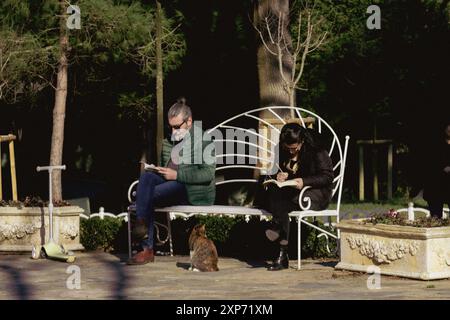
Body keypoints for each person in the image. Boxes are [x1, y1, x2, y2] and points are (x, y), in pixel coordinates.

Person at [127, 97, 216, 265]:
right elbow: (167, 171)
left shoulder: (203, 140)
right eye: (171, 126)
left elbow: (208, 174)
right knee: (146, 177)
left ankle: (146, 245)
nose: (173, 130)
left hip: (193, 190)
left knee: (146, 195)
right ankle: (142, 227)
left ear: (189, 121)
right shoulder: (168, 141)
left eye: (177, 126)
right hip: (172, 186)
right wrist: (159, 170)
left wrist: (177, 175)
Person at [263, 123, 333, 271]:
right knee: (273, 192)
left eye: (294, 148)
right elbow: (278, 170)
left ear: (302, 142)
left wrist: (304, 181)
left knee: (282, 201)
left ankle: (279, 239)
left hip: (316, 193)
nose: (291, 152)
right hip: (292, 190)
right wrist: (280, 175)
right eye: (287, 148)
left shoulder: (316, 149)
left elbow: (327, 176)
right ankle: (282, 252)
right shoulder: (283, 148)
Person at [423, 123, 450, 218]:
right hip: (436, 185)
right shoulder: (435, 145)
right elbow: (429, 163)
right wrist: (442, 168)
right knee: (436, 216)